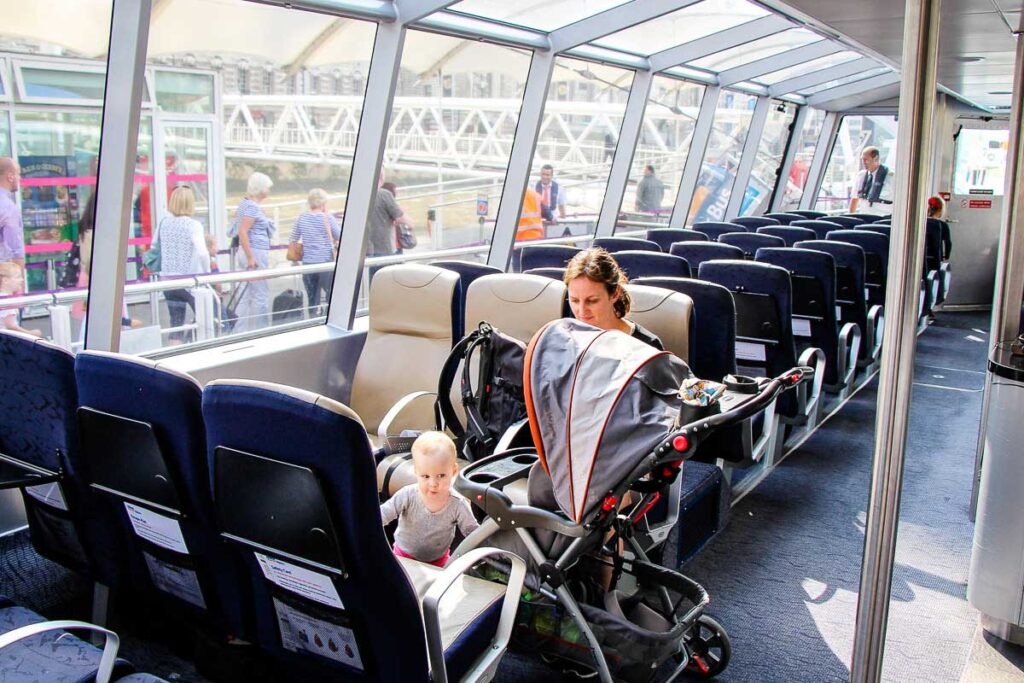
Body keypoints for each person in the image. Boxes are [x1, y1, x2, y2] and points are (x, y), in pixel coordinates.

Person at [379, 431, 478, 568]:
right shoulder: (407, 495)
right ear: (416, 472)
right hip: (402, 556)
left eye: (441, 475)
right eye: (425, 476)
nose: (433, 483)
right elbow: (382, 515)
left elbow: (473, 532)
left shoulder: (457, 503)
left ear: (453, 471)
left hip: (439, 561)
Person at [564, 248, 663, 350]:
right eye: (575, 300)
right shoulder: (565, 337)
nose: (581, 311)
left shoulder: (646, 346)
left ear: (615, 294)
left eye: (592, 301)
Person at [158, 186, 210, 343]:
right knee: (208, 315)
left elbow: (155, 246)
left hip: (167, 280)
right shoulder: (193, 225)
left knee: (176, 323)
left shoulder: (164, 223)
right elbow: (202, 252)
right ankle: (193, 345)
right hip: (188, 282)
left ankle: (176, 353)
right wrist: (207, 274)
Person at [0, 157, 41, 337]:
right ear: (9, 176)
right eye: (18, 174)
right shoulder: (8, 207)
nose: (19, 178)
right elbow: (15, 251)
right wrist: (17, 288)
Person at [231, 172, 275, 332]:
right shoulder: (253, 207)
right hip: (255, 251)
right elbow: (243, 231)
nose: (269, 191)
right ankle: (261, 330)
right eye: (268, 188)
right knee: (260, 293)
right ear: (261, 189)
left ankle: (239, 329)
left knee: (243, 292)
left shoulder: (244, 204)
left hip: (245, 251)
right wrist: (251, 257)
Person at [289, 188, 340, 316]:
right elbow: (339, 235)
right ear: (323, 203)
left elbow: (293, 239)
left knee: (312, 298)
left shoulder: (302, 218)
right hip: (325, 263)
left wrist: (295, 258)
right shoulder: (327, 218)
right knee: (330, 294)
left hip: (308, 263)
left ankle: (313, 319)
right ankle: (329, 317)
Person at [849, 146, 894, 215]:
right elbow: (854, 199)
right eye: (862, 159)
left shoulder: (891, 177)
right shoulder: (861, 176)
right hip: (864, 217)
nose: (863, 162)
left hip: (882, 218)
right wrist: (850, 216)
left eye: (866, 159)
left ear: (876, 159)